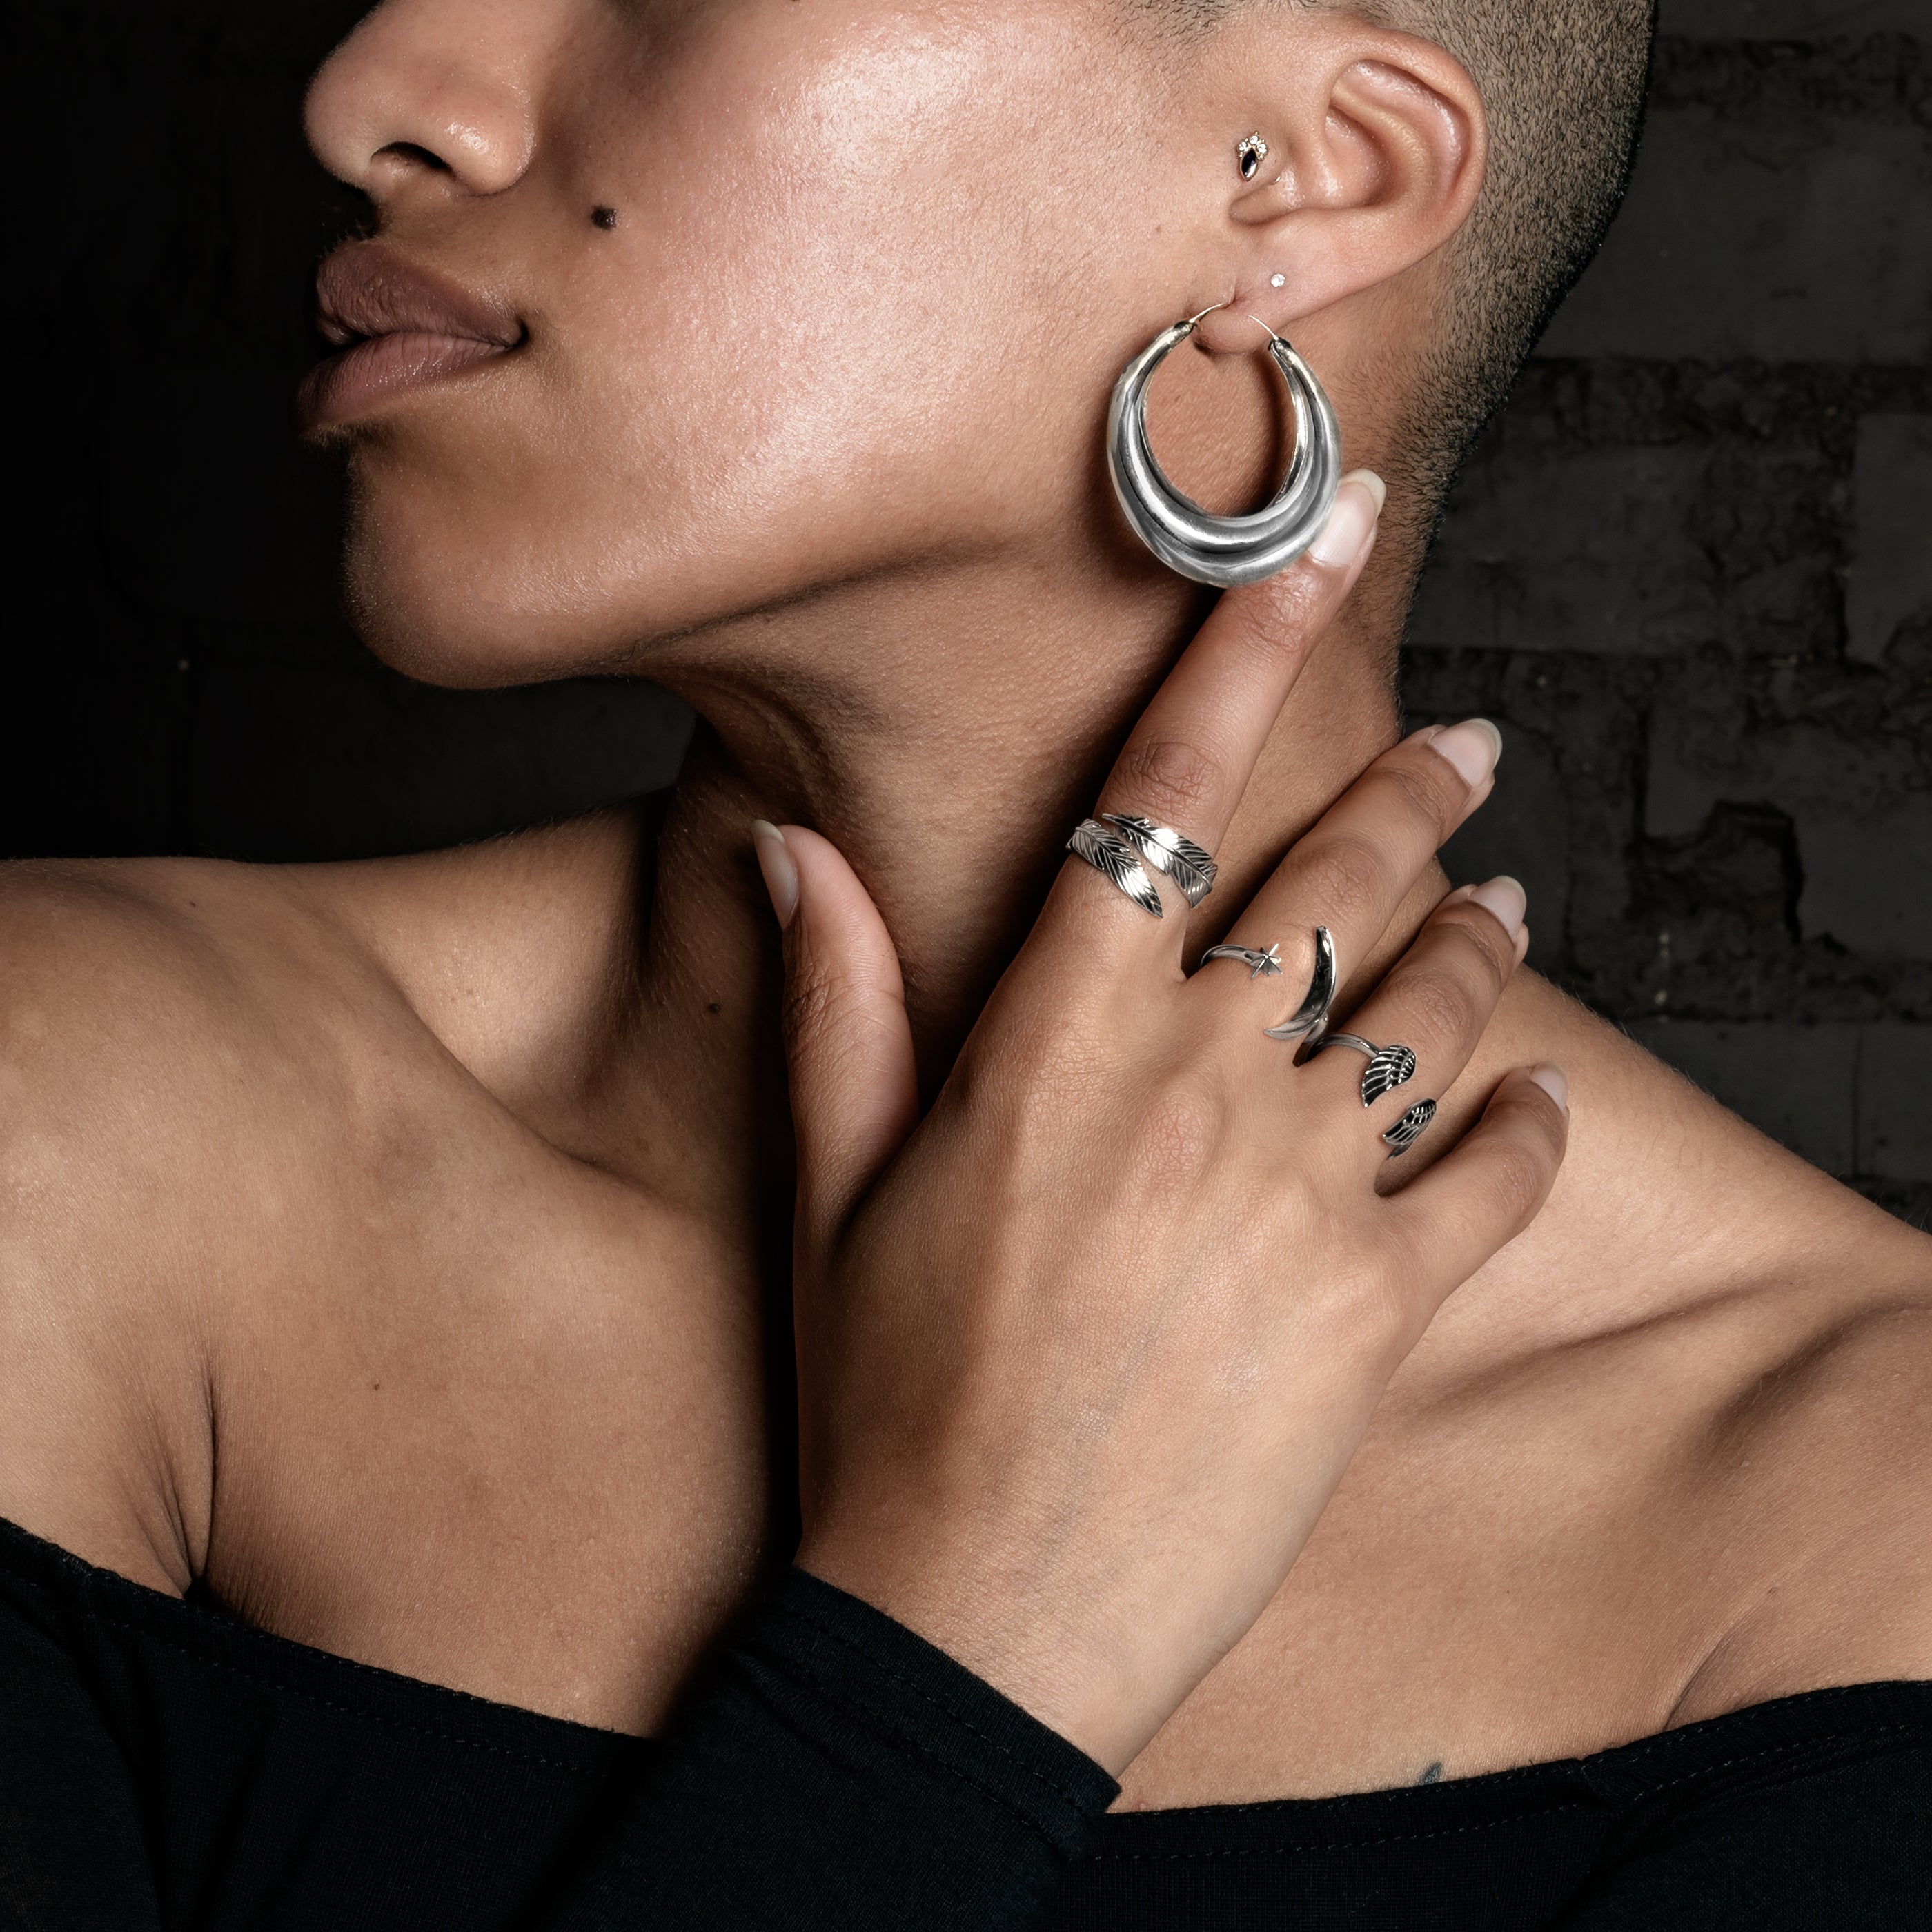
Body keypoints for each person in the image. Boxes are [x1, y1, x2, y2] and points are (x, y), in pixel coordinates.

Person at [1, 1, 1925, 1926]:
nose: (371, 94)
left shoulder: (1858, 1533)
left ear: (1304, 178)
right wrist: (963, 1646)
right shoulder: (73, 1141)